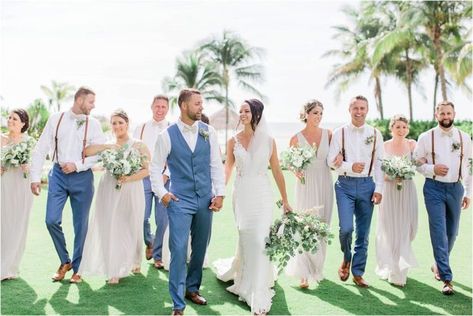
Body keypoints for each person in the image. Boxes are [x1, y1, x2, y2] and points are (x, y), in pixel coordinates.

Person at [150, 89, 225, 316]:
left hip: (205, 199)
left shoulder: (208, 132)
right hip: (179, 200)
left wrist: (219, 193)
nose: (201, 107)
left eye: (201, 103)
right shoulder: (166, 135)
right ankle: (177, 303)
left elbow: (215, 165)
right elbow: (155, 168)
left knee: (200, 247)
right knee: (179, 249)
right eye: (197, 103)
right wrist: (162, 193)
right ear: (184, 105)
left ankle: (192, 288)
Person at [214, 99, 292, 315]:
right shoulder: (233, 141)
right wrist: (219, 193)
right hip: (241, 195)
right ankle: (246, 275)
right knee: (247, 237)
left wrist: (285, 200)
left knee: (260, 239)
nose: (242, 114)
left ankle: (256, 290)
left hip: (262, 195)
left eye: (246, 110)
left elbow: (276, 170)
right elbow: (227, 168)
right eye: (240, 111)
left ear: (256, 113)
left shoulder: (269, 141)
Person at [30, 87, 106, 283]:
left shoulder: (95, 124)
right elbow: (40, 149)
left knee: (81, 225)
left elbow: (98, 153)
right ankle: (65, 261)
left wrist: (78, 165)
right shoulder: (56, 119)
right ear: (79, 100)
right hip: (57, 175)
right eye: (90, 102)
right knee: (51, 220)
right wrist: (35, 177)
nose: (93, 106)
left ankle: (78, 269)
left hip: (82, 177)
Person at [79, 109, 150, 284]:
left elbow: (147, 170)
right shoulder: (108, 144)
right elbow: (86, 152)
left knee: (131, 226)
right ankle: (114, 268)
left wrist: (128, 178)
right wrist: (106, 146)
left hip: (131, 188)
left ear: (127, 123)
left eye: (120, 122)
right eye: (114, 123)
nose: (117, 126)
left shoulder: (138, 145)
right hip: (109, 188)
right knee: (111, 226)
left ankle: (135, 258)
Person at [414, 101, 471, 295]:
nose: (446, 116)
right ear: (436, 115)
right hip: (433, 188)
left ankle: (437, 264)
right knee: (439, 231)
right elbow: (416, 162)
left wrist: (468, 192)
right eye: (442, 113)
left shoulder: (464, 138)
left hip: (456, 188)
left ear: (454, 114)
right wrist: (432, 169)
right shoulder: (425, 137)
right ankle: (447, 279)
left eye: (449, 113)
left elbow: (470, 168)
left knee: (452, 233)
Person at [327, 95, 384, 288]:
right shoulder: (339, 133)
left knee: (363, 233)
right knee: (346, 229)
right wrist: (350, 166)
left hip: (368, 185)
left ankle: (358, 272)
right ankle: (346, 257)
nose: (359, 111)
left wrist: (379, 189)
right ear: (349, 110)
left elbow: (380, 165)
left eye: (362, 108)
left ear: (367, 110)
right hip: (345, 185)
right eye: (355, 108)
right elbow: (330, 161)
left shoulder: (376, 134)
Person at [285, 100, 334, 288]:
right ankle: (303, 272)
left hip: (324, 181)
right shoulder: (296, 138)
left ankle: (317, 268)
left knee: (322, 223)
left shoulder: (329, 134)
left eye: (321, 113)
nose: (319, 117)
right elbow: (289, 161)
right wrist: (294, 170)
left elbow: (336, 157)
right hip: (305, 184)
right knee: (305, 224)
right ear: (306, 114)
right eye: (315, 113)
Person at [375, 114, 418, 287]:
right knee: (390, 229)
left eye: (404, 127)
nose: (401, 130)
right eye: (397, 126)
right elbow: (378, 171)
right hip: (389, 191)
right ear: (391, 128)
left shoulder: (412, 145)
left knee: (408, 228)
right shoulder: (383, 146)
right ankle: (394, 270)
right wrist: (392, 174)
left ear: (407, 129)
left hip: (407, 190)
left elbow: (419, 164)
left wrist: (406, 172)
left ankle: (401, 263)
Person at [133, 95, 170, 269]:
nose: (160, 110)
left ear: (168, 109)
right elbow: (132, 151)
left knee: (162, 219)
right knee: (141, 216)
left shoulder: (173, 129)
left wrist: (167, 174)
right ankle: (150, 241)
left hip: (164, 178)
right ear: (151, 107)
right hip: (144, 178)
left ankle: (158, 255)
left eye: (163, 107)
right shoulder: (140, 128)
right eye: (157, 106)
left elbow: (177, 155)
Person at [1, 109, 34, 280]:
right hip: (4, 183)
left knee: (17, 224)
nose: (11, 121)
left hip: (21, 185)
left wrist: (28, 166)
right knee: (3, 222)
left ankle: (10, 266)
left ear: (23, 123)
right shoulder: (1, 138)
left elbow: (34, 165)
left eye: (15, 119)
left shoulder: (28, 141)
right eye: (9, 118)